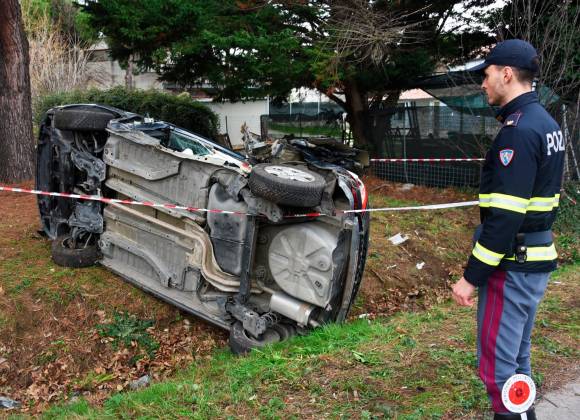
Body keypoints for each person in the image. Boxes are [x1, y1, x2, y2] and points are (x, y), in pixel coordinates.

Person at [451, 39, 565, 420]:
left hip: (511, 266)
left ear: (506, 74)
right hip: (533, 259)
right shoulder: (546, 123)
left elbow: (504, 219)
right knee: (516, 364)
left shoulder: (517, 132)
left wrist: (471, 277)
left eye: (485, 75)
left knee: (500, 375)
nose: (482, 84)